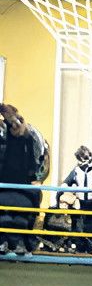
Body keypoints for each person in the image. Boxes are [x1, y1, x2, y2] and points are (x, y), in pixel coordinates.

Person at [0, 102, 48, 257]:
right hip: (7, 186)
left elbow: (43, 156)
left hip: (24, 187)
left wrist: (38, 179)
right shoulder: (4, 134)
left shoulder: (31, 135)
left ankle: (19, 242)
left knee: (21, 215)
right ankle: (7, 241)